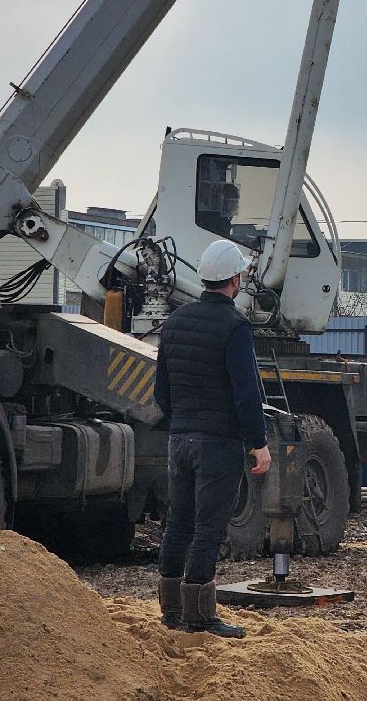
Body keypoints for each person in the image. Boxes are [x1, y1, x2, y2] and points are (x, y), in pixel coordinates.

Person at [154, 238, 271, 638]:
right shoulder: (235, 327)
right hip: (217, 443)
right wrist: (259, 443)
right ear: (235, 279)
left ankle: (170, 609)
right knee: (208, 529)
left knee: (178, 524)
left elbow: (161, 392)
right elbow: (247, 392)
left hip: (180, 439)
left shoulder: (174, 322)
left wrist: (181, 421)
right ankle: (200, 616)